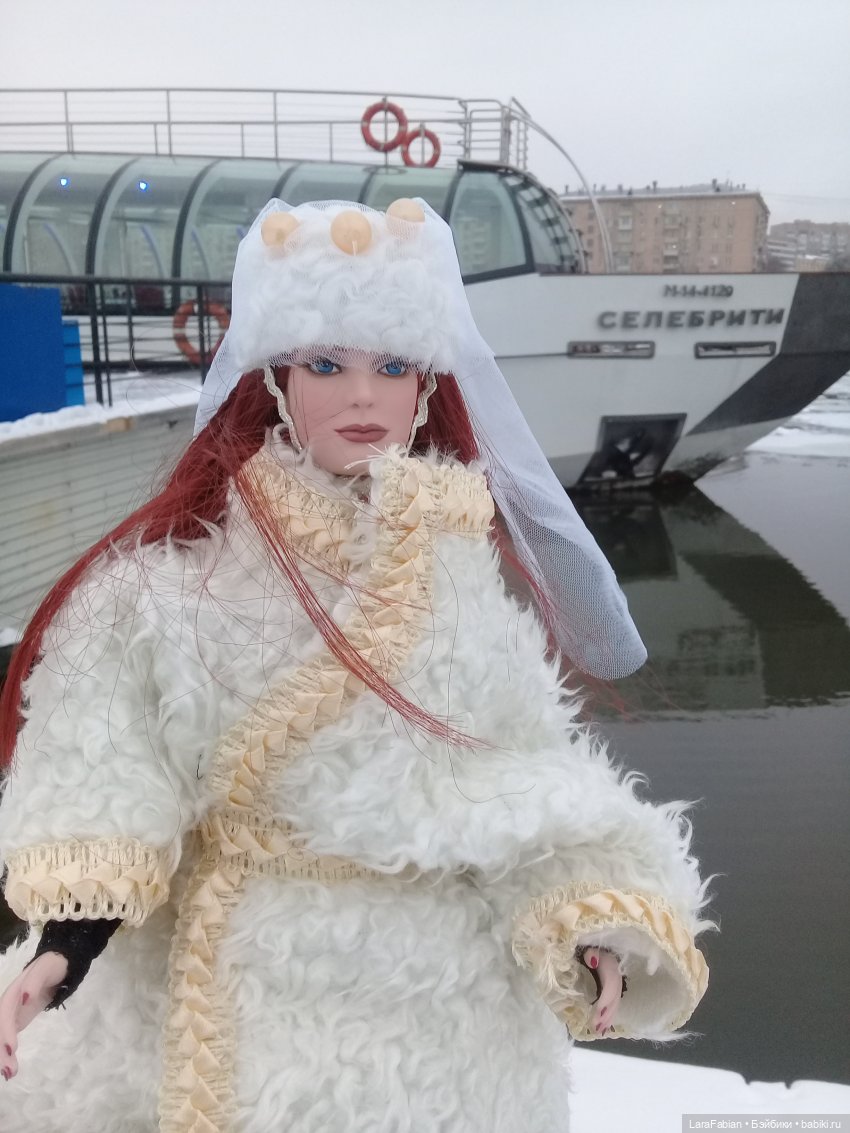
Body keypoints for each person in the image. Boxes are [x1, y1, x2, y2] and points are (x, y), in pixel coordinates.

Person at [0, 198, 709, 1133]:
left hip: (440, 1002)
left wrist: (587, 917)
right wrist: (69, 939)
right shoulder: (165, 587)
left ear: (425, 387)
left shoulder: (462, 589)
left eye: (393, 367)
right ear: (276, 379)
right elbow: (108, 756)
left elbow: (526, 776)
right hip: (237, 973)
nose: (364, 397)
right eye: (327, 366)